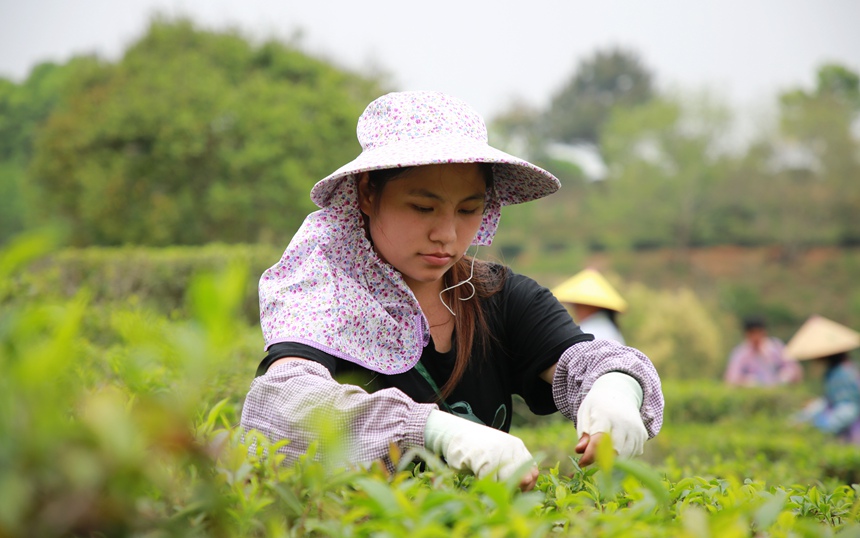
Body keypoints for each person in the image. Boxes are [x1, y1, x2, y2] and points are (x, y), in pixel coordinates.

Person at [240, 91, 664, 491]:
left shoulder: (498, 296)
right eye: (422, 207)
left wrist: (615, 387)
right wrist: (430, 430)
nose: (447, 234)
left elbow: (582, 358)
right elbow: (283, 402)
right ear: (368, 193)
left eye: (468, 210)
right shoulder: (324, 292)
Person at [787, 315, 860, 444]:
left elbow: (848, 408)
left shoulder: (842, 374)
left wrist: (822, 426)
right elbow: (827, 401)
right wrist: (801, 419)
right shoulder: (837, 372)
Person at [552, 268, 628, 344]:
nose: (576, 310)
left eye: (579, 305)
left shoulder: (591, 331)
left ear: (593, 307)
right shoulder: (609, 328)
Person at [723, 315, 803, 387]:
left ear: (764, 332)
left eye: (758, 332)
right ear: (746, 334)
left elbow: (796, 370)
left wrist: (786, 376)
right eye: (752, 333)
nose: (756, 337)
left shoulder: (776, 347)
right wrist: (745, 382)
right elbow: (730, 380)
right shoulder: (740, 354)